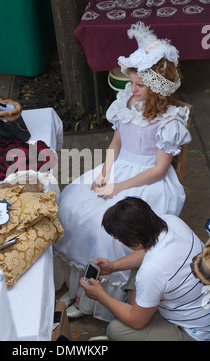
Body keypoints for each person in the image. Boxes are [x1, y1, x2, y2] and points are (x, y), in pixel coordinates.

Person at [53, 22, 192, 321]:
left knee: (108, 229)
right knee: (71, 205)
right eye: (131, 82)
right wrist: (105, 173)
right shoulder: (125, 103)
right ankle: (79, 283)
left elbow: (158, 170)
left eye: (139, 85)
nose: (132, 88)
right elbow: (115, 143)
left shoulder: (168, 123)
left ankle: (95, 295)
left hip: (147, 180)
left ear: (156, 88)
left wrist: (118, 188)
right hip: (119, 168)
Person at [80, 197, 210, 341]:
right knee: (141, 272)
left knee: (116, 330)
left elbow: (137, 322)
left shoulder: (152, 270)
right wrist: (113, 267)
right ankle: (138, 308)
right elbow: (148, 253)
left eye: (118, 238)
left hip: (196, 332)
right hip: (200, 305)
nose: (118, 241)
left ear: (133, 240)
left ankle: (137, 311)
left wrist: (100, 296)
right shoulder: (172, 222)